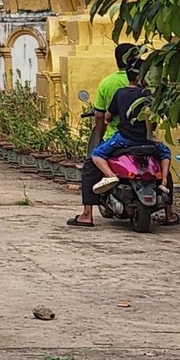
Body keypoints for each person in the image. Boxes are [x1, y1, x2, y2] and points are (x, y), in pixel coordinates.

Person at [67, 42, 138, 228]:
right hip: (142, 138)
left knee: (91, 167)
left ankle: (87, 214)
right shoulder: (146, 83)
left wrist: (99, 134)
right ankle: (170, 213)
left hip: (117, 137)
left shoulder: (109, 83)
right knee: (162, 160)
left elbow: (101, 117)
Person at [90, 61, 174, 201]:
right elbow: (152, 119)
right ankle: (164, 180)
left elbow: (108, 117)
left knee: (97, 154)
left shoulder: (120, 93)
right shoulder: (146, 94)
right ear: (139, 78)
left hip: (124, 139)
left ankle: (110, 176)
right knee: (165, 152)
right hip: (144, 139)